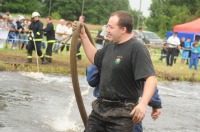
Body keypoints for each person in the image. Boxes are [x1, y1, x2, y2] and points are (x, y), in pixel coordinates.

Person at [77, 11, 157, 131]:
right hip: (100, 109)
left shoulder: (137, 48)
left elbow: (151, 78)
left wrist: (143, 104)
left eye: (111, 27)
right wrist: (83, 36)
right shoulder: (110, 46)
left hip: (123, 113)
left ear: (123, 29)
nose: (107, 29)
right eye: (107, 25)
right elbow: (95, 58)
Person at [86, 65, 162, 132]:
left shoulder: (105, 54)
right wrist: (155, 104)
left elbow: (91, 80)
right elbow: (148, 80)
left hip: (102, 110)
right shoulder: (134, 54)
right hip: (128, 109)